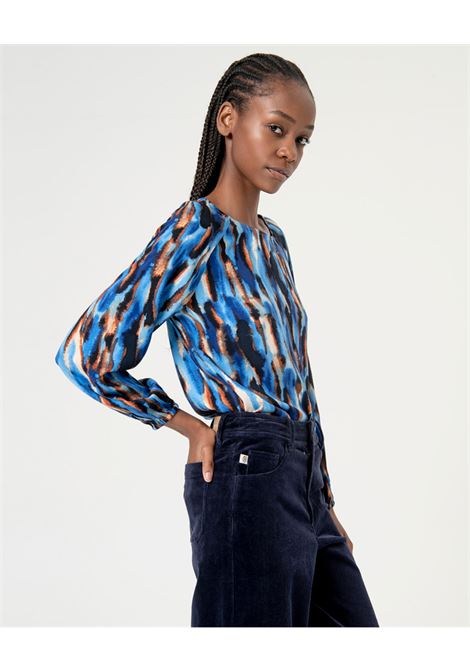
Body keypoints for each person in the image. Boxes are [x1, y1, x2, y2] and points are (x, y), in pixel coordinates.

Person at [55, 52, 379, 627]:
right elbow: (86, 354)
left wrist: (323, 500)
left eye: (302, 139)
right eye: (276, 129)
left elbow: (299, 378)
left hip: (301, 475)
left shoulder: (273, 242)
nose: (290, 152)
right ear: (228, 119)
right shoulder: (193, 233)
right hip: (246, 468)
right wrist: (187, 425)